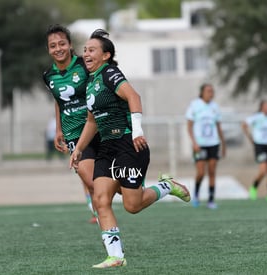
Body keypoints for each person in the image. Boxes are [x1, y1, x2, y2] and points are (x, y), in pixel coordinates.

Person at [69, 29, 190, 268]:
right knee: (100, 200)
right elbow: (92, 121)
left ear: (106, 55)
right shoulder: (91, 82)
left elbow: (134, 97)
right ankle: (116, 256)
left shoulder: (110, 73)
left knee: (132, 206)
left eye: (92, 50)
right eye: (85, 50)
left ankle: (168, 186)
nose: (86, 54)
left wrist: (137, 131)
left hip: (127, 144)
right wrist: (79, 149)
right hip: (106, 148)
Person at [43, 24, 100, 223]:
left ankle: (159, 187)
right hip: (73, 132)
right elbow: (59, 101)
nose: (57, 48)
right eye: (52, 46)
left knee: (115, 189)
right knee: (90, 180)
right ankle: (104, 224)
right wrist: (59, 129)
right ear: (48, 49)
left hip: (97, 127)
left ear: (69, 45)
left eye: (61, 44)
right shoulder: (48, 76)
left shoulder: (85, 64)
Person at [185, 83, 226, 209]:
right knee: (201, 172)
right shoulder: (194, 105)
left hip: (213, 143)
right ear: (202, 92)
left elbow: (218, 126)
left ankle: (211, 200)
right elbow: (189, 126)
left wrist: (223, 143)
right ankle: (196, 195)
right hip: (200, 145)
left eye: (212, 91)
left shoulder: (215, 107)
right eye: (208, 91)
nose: (211, 93)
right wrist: (194, 143)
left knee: (212, 172)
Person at [242, 99, 267, 202]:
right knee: (263, 171)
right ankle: (254, 187)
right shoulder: (256, 117)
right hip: (260, 146)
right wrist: (250, 138)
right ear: (262, 107)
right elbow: (244, 125)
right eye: (266, 106)